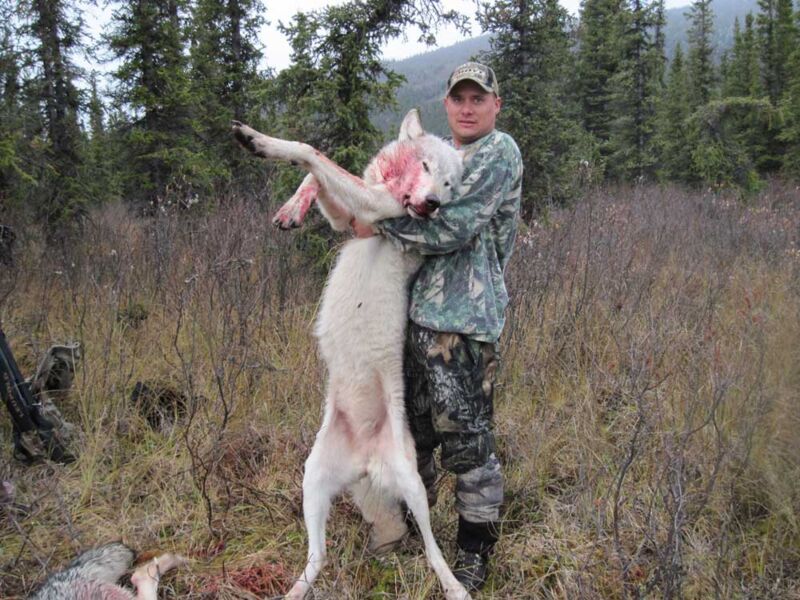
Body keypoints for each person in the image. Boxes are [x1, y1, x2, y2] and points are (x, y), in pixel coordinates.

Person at [354, 61, 523, 591]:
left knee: (468, 444)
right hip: (412, 320)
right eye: (459, 99)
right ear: (446, 104)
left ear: (496, 105)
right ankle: (412, 529)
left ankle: (474, 551)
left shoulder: (498, 152)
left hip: (462, 327)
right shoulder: (437, 155)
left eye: (479, 98)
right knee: (414, 436)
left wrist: (377, 222)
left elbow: (452, 226)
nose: (468, 108)